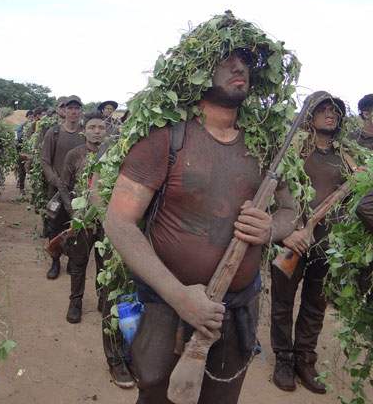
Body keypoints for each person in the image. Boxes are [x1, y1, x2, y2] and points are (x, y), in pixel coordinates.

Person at [104, 41, 297, 401]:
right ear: (198, 70)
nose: (239, 67)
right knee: (157, 393)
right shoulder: (166, 138)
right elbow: (118, 222)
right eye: (226, 58)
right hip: (166, 307)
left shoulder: (265, 146)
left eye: (244, 60)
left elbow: (290, 210)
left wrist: (271, 228)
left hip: (236, 308)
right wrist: (179, 296)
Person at [270, 91, 352, 394]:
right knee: (282, 303)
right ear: (310, 115)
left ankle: (305, 359)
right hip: (292, 242)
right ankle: (283, 359)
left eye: (335, 111)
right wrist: (286, 234)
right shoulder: (291, 150)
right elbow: (271, 194)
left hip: (328, 246)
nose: (330, 114)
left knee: (315, 305)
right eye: (323, 109)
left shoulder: (347, 156)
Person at [58, 111, 134, 388]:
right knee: (79, 263)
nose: (97, 131)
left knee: (105, 264)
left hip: (106, 220)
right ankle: (75, 302)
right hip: (82, 219)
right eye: (92, 127)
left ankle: (103, 300)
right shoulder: (74, 155)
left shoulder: (115, 154)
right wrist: (74, 212)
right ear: (84, 131)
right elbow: (64, 185)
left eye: (102, 127)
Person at [41, 95, 85, 279]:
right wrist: (56, 181)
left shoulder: (84, 133)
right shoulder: (54, 133)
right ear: (64, 110)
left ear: (81, 111)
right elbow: (45, 161)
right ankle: (55, 262)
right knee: (55, 226)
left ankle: (72, 260)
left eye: (77, 108)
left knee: (76, 227)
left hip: (79, 192)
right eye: (70, 108)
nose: (73, 112)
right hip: (57, 191)